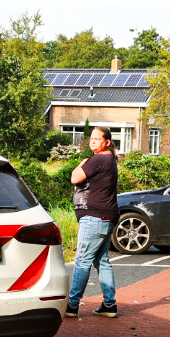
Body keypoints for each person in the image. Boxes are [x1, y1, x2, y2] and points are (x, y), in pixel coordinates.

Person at [67, 126, 119, 319]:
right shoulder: (110, 160)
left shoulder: (98, 159)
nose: (93, 141)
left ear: (107, 142)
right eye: (91, 138)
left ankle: (72, 306)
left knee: (82, 260)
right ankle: (109, 305)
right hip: (108, 216)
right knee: (102, 261)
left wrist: (81, 164)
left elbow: (75, 178)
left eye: (98, 139)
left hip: (95, 217)